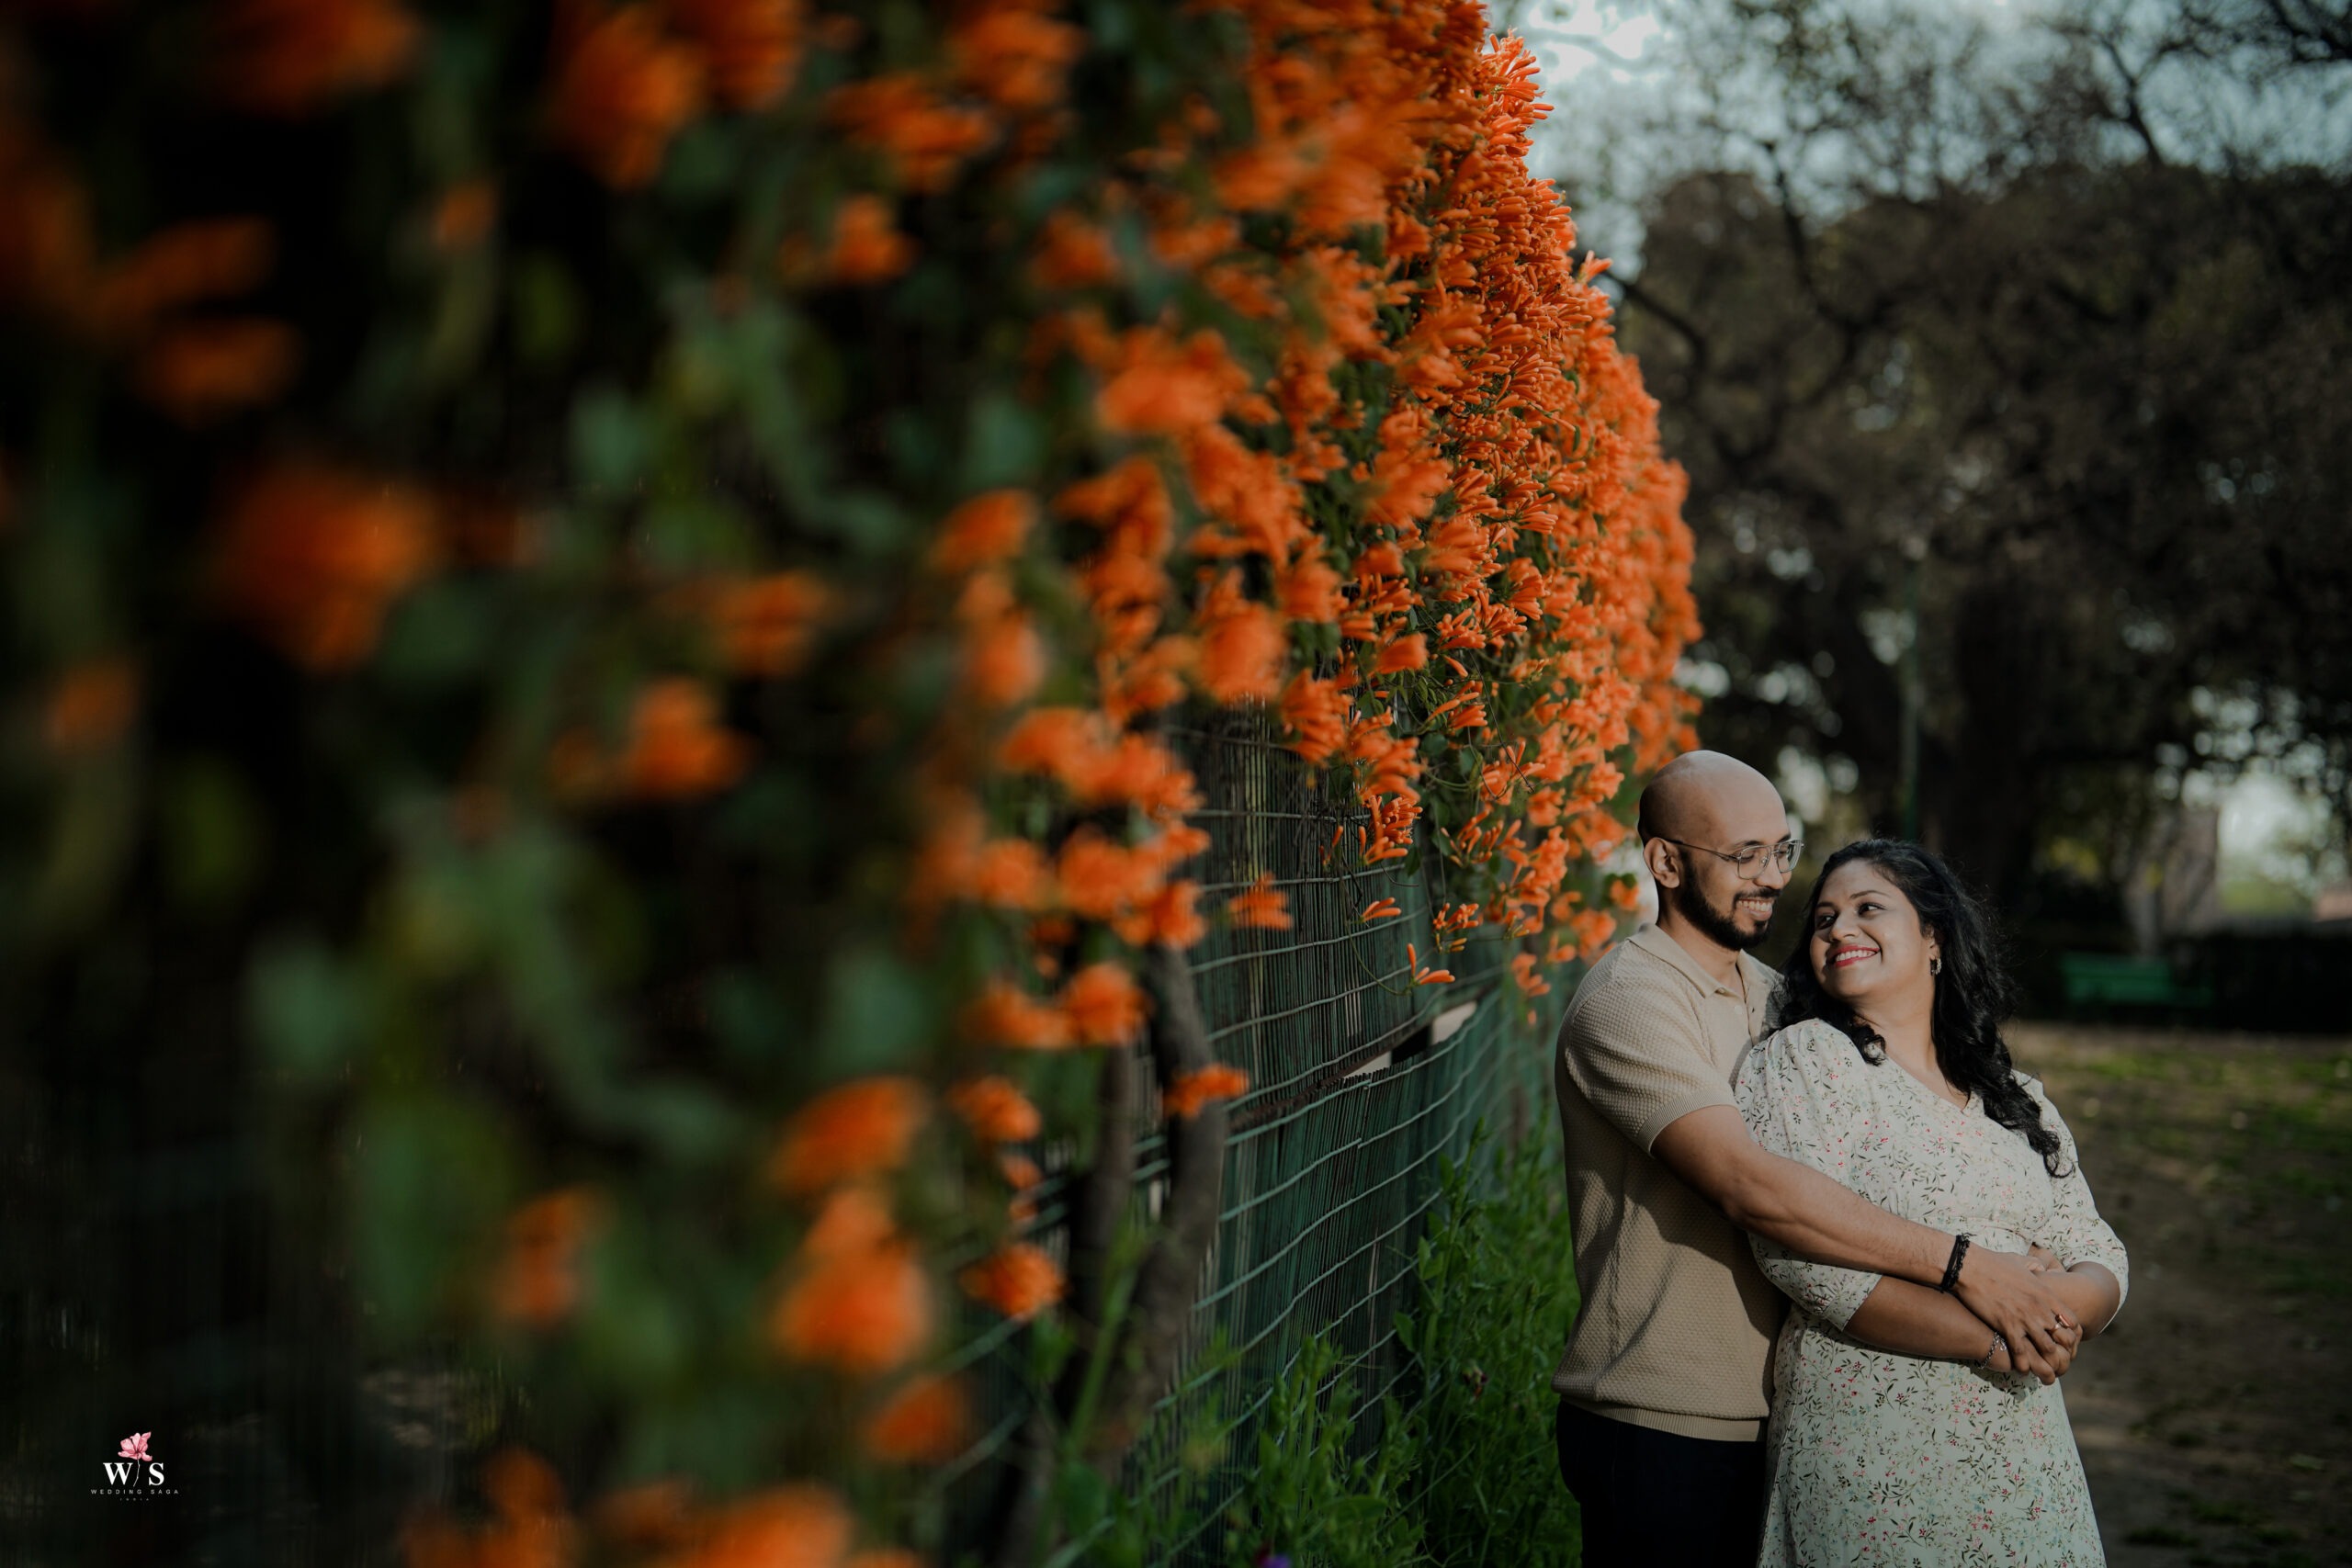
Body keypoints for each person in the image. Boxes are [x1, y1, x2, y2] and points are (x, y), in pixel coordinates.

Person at [1550, 752, 2084, 1566]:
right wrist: (1968, 1267)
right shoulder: (1631, 999)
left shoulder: (1776, 998)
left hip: (1787, 1409)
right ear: (1665, 862)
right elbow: (1750, 1186)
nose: (1771, 877)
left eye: (1781, 850)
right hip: (1664, 1416)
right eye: (1744, 855)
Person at [1735, 840, 2126, 1562]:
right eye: (1824, 918)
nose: (1840, 929)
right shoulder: (1807, 1060)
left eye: (1868, 907)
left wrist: (2046, 1312)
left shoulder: (2016, 1098)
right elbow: (1801, 1257)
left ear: (1935, 938)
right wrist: (1997, 1336)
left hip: (2030, 1464)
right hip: (1873, 1459)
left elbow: (2097, 1248)